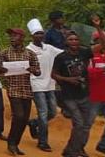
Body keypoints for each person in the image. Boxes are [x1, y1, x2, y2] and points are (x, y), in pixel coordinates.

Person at [53, 25, 104, 157]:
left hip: (84, 95)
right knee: (79, 123)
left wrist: (98, 27)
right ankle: (72, 152)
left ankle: (70, 150)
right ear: (66, 42)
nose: (74, 41)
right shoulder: (61, 57)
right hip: (69, 96)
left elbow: (103, 44)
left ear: (79, 41)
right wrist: (67, 79)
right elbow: (54, 75)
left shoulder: (84, 52)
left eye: (76, 39)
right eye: (71, 39)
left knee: (84, 125)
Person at [0, 27, 40, 156]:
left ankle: (15, 144)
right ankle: (11, 143)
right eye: (11, 36)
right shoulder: (5, 53)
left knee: (24, 118)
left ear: (22, 38)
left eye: (15, 36)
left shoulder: (30, 54)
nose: (12, 38)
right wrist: (1, 70)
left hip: (26, 89)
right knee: (19, 116)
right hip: (13, 88)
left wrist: (33, 70)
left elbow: (38, 71)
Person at [25, 18, 64, 152]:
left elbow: (64, 54)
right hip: (36, 85)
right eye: (37, 33)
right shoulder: (28, 50)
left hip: (50, 84)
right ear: (32, 36)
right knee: (43, 112)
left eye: (41, 33)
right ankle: (43, 142)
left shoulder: (49, 48)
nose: (40, 36)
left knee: (52, 112)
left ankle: (33, 123)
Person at [86, 13, 105, 157]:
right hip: (94, 96)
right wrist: (101, 70)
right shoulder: (90, 55)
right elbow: (87, 73)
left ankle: (103, 145)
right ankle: (78, 147)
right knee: (87, 124)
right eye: (104, 39)